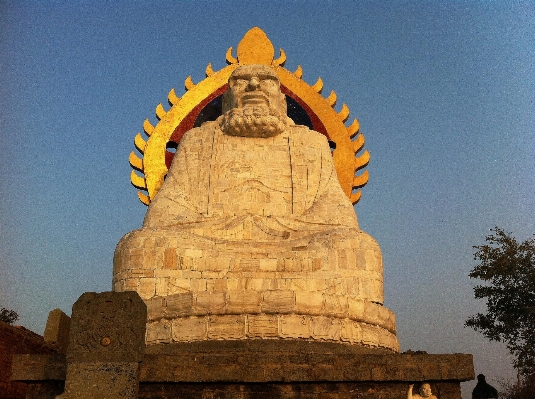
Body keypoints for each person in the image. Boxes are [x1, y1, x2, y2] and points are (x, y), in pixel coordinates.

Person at [143, 64, 361, 242]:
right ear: (226, 101)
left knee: (354, 244)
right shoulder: (196, 142)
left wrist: (280, 229)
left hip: (291, 243)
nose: (254, 85)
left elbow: (339, 213)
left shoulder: (311, 143)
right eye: (240, 81)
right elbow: (164, 212)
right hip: (210, 242)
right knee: (144, 244)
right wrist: (230, 228)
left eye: (267, 80)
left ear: (282, 101)